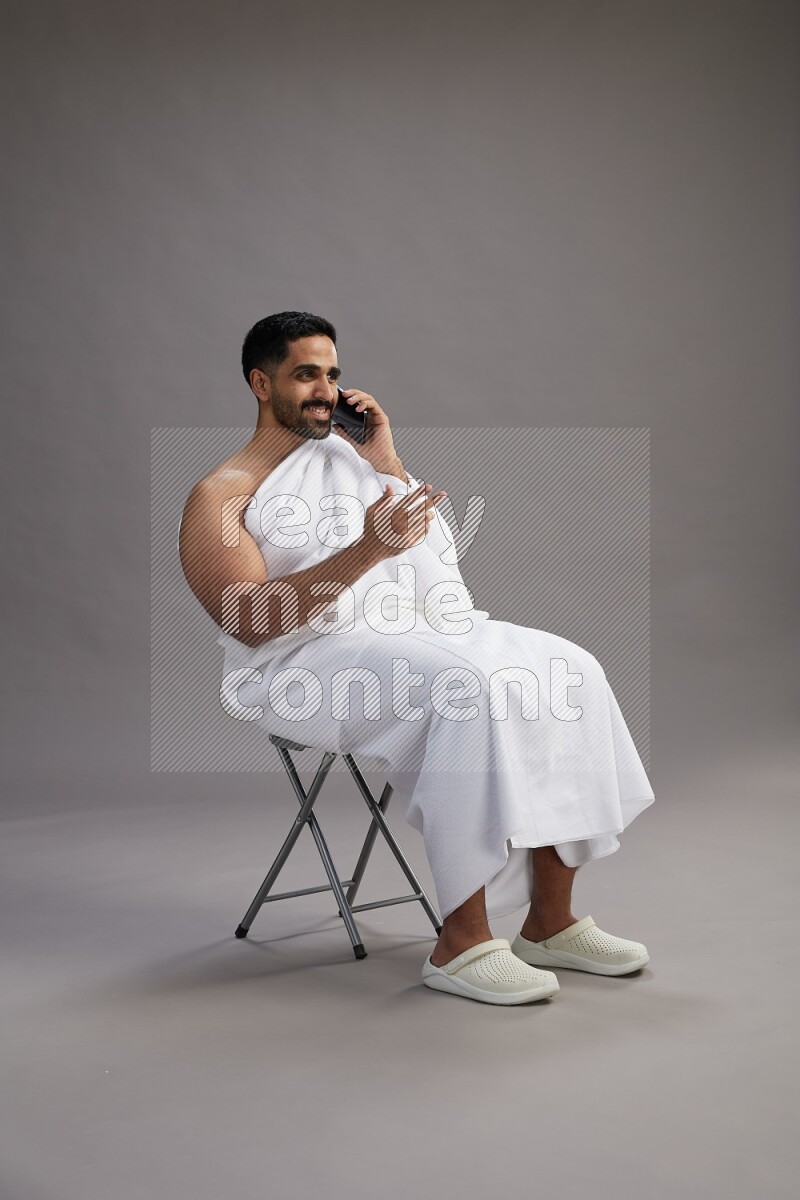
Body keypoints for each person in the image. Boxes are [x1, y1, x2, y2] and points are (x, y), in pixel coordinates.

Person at [179, 311, 655, 1006]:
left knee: (570, 669)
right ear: (261, 382)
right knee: (467, 689)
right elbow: (250, 622)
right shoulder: (220, 494)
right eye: (306, 375)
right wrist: (369, 547)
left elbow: (429, 569)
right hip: (302, 662)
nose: (326, 391)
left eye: (332, 374)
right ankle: (460, 942)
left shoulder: (354, 462)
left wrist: (387, 465)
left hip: (408, 631)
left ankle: (549, 924)